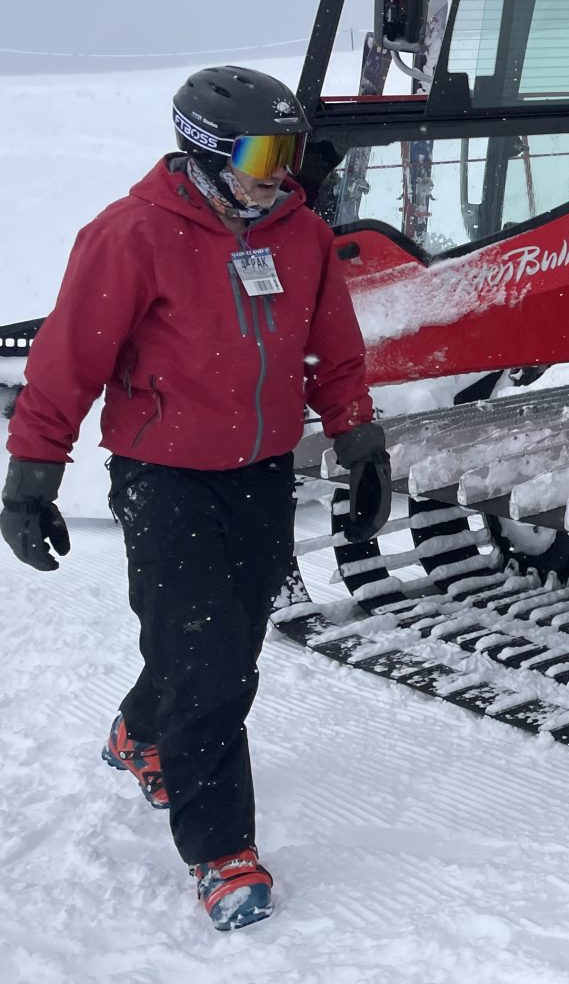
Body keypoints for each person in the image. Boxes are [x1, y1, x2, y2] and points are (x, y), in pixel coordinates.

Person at [0, 65, 392, 932]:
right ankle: (221, 851)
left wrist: (358, 437)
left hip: (260, 472)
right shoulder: (132, 235)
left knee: (222, 637)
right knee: (212, 660)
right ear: (208, 150)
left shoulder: (299, 238)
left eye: (292, 152)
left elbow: (334, 350)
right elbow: (68, 362)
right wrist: (33, 475)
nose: (281, 172)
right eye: (264, 153)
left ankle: (142, 733)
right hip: (163, 477)